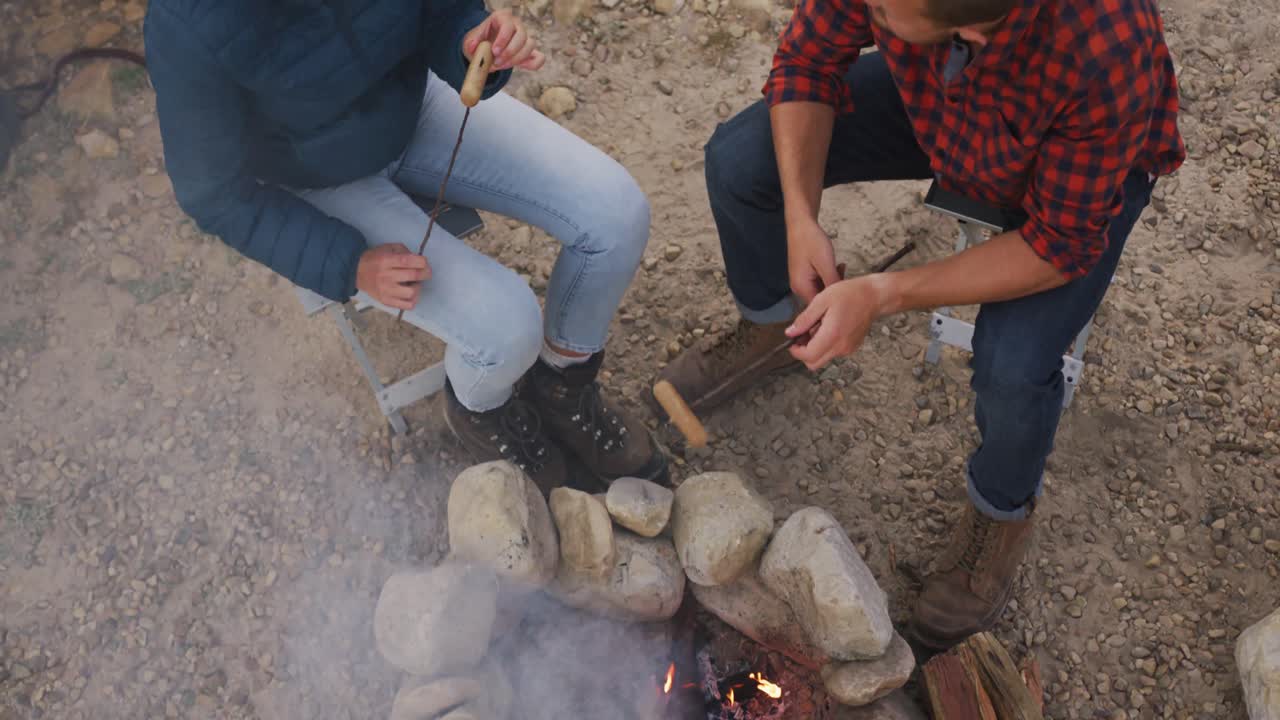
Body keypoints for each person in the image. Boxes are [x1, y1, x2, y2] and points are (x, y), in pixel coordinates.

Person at [656, 0, 1184, 649]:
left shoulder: (1105, 45)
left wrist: (881, 294)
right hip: (940, 107)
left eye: (879, 7)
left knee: (1013, 367)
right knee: (740, 162)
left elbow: (1057, 245)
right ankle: (774, 327)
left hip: (1065, 177)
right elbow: (808, 59)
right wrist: (800, 215)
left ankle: (999, 513)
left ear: (967, 27)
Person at [144, 0, 667, 495]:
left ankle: (561, 389)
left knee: (616, 215)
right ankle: (480, 410)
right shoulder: (189, 21)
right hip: (315, 178)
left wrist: (472, 40)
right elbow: (213, 195)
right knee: (507, 330)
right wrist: (348, 262)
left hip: (417, 105)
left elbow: (443, 13)